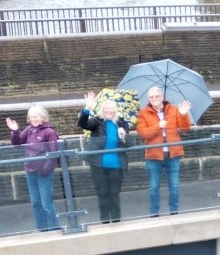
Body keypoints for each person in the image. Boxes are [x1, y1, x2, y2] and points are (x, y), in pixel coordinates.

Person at [136, 86, 193, 215]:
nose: (154, 99)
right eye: (151, 97)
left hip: (173, 155)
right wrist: (158, 126)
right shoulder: (143, 113)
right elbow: (143, 134)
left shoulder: (173, 109)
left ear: (162, 97)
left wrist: (183, 115)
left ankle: (174, 211)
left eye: (157, 96)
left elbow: (185, 129)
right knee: (153, 188)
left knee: (174, 186)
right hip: (153, 156)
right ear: (148, 99)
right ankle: (154, 213)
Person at [6, 105, 61, 231]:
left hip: (44, 173)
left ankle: (53, 228)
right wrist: (15, 132)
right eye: (31, 117)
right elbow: (16, 145)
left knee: (46, 203)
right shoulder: (29, 130)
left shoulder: (49, 132)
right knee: (36, 203)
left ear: (42, 117)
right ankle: (41, 229)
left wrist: (45, 169)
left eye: (35, 117)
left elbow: (54, 154)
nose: (33, 119)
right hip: (30, 171)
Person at [79, 92, 130, 223]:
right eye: (106, 109)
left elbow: (128, 145)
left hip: (116, 166)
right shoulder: (97, 122)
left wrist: (123, 136)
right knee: (102, 194)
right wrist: (87, 109)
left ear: (115, 110)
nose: (109, 111)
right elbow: (83, 124)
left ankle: (116, 220)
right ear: (103, 110)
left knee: (114, 194)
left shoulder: (121, 124)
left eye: (111, 108)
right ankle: (105, 221)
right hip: (99, 165)